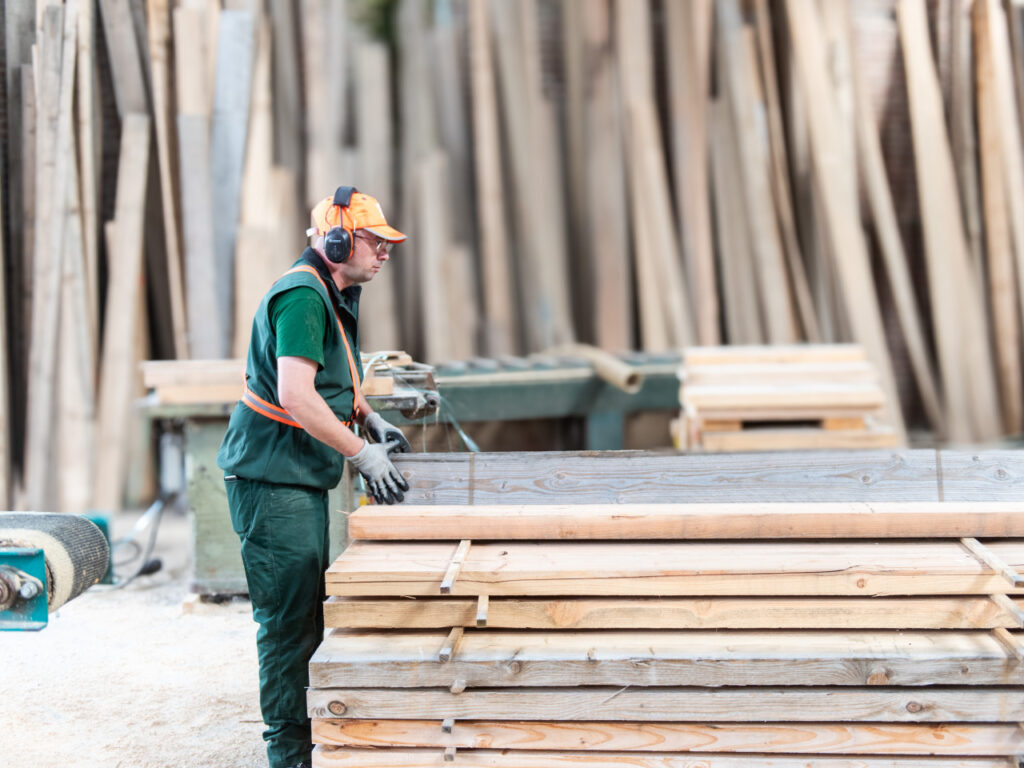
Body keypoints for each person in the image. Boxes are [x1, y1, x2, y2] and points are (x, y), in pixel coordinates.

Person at [217, 186, 412, 768]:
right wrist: (362, 453)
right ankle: (290, 754)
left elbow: (329, 378)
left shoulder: (333, 292)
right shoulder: (303, 296)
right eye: (374, 241)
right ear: (336, 239)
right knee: (289, 621)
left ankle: (307, 742)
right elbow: (297, 396)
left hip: (294, 476)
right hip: (271, 479)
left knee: (306, 610)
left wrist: (370, 418)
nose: (383, 253)